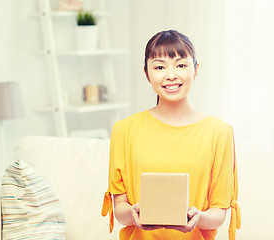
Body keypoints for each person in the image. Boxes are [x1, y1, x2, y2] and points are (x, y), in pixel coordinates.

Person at [102, 30, 241, 240]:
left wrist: (199, 218)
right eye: (159, 67)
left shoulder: (220, 132)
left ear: (195, 69)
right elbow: (120, 208)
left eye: (181, 65)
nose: (171, 75)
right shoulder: (124, 130)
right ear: (146, 73)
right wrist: (132, 214)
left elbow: (219, 212)